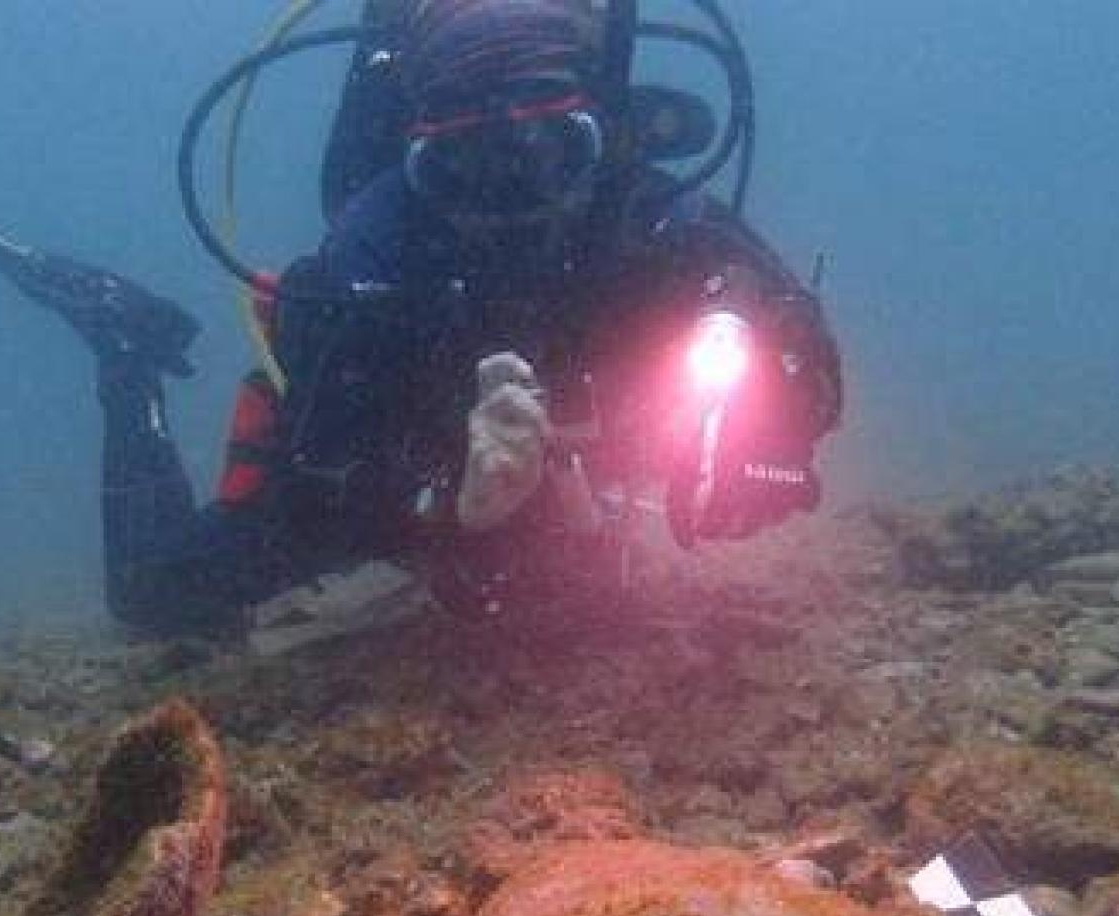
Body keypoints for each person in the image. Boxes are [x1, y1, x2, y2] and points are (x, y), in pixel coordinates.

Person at [107, 0, 843, 634]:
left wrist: (760, 436)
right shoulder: (372, 249)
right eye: (463, 162)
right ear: (416, 148)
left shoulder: (653, 218)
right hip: (423, 485)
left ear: (603, 130)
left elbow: (809, 374)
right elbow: (324, 468)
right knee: (156, 598)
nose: (512, 198)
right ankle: (125, 345)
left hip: (556, 487)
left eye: (551, 148)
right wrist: (453, 505)